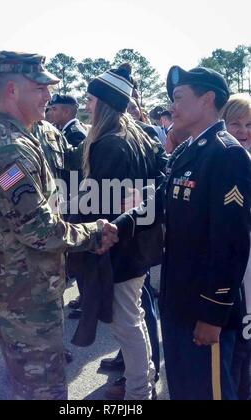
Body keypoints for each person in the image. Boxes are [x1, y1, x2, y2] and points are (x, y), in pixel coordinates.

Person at [0, 51, 118, 401]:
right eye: (40, 88)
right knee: (43, 389)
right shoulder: (10, 150)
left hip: (24, 288)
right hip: (26, 295)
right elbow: (39, 229)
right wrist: (94, 232)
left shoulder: (20, 139)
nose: (48, 97)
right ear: (12, 91)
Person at [114, 66, 251, 400]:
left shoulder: (226, 155)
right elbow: (160, 199)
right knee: (185, 389)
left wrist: (213, 313)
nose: (171, 106)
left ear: (206, 100)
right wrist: (118, 227)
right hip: (177, 302)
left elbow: (231, 244)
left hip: (204, 310)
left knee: (211, 392)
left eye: (178, 98)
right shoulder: (189, 151)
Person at [72, 65, 167, 400]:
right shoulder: (140, 134)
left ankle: (140, 392)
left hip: (118, 243)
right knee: (134, 317)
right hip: (139, 241)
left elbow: (99, 204)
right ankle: (140, 380)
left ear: (105, 103)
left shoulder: (110, 143)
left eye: (91, 99)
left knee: (127, 322)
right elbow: (156, 187)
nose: (87, 105)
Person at [221, 93, 251, 399]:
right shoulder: (224, 160)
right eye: (235, 124)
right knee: (237, 353)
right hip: (236, 274)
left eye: (249, 124)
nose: (243, 130)